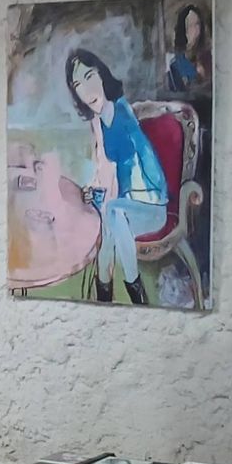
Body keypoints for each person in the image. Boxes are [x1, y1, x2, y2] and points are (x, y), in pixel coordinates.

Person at [66, 48, 167, 305]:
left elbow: (127, 170)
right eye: (78, 85)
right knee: (109, 224)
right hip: (123, 207)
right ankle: (106, 298)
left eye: (89, 77)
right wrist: (91, 189)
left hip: (151, 205)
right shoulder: (97, 121)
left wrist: (105, 196)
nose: (86, 90)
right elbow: (102, 168)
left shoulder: (122, 113)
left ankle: (135, 295)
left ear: (102, 75)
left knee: (112, 212)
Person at [166, 4, 209, 92]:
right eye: (190, 25)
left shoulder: (207, 56)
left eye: (197, 24)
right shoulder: (176, 63)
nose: (195, 30)